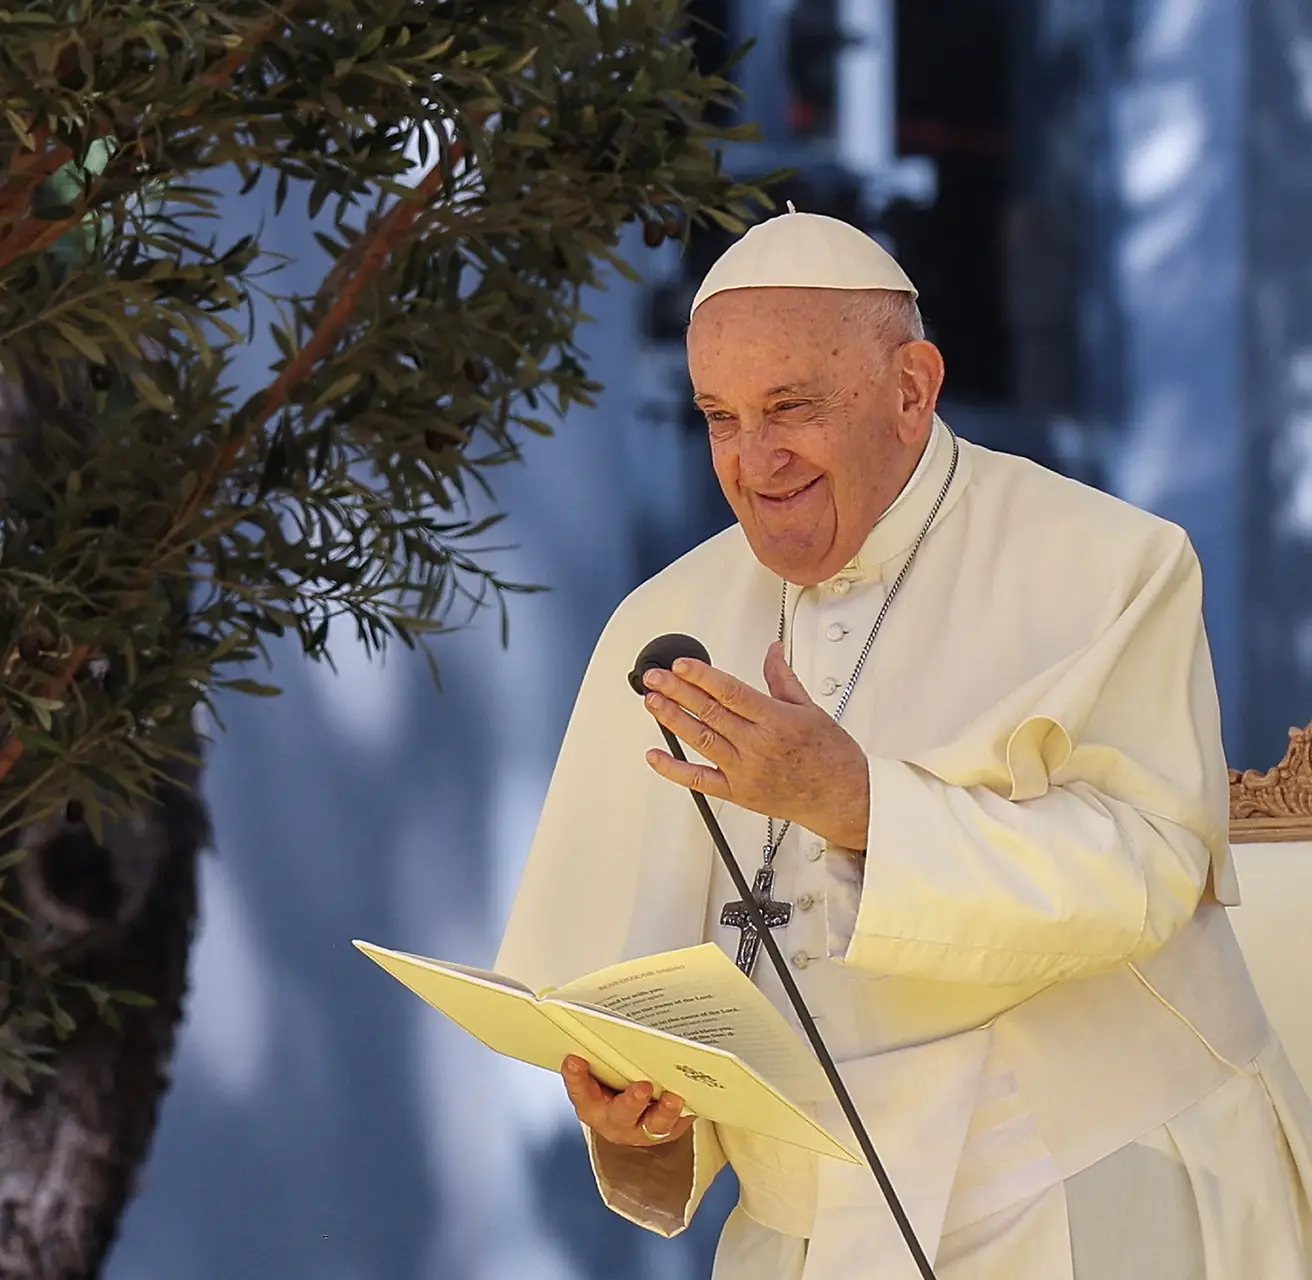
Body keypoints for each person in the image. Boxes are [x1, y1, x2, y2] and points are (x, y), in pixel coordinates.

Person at [493, 210, 1312, 1279]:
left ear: (912, 390)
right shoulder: (664, 621)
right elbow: (636, 996)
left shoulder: (1110, 564)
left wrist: (860, 806)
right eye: (720, 418)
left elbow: (1149, 872)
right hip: (807, 1232)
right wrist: (637, 1118)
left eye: (791, 408)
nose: (753, 461)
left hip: (1083, 1181)